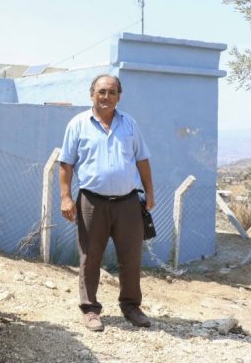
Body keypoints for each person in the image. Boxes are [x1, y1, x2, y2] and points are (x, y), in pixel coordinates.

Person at [58, 74, 155, 332]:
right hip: (92, 202)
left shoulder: (130, 124)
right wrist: (66, 197)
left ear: (119, 97)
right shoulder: (78, 124)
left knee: (131, 257)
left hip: (128, 203)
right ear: (92, 94)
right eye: (101, 91)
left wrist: (150, 193)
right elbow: (66, 164)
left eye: (112, 92)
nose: (106, 96)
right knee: (90, 258)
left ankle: (131, 307)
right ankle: (90, 309)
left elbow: (142, 160)